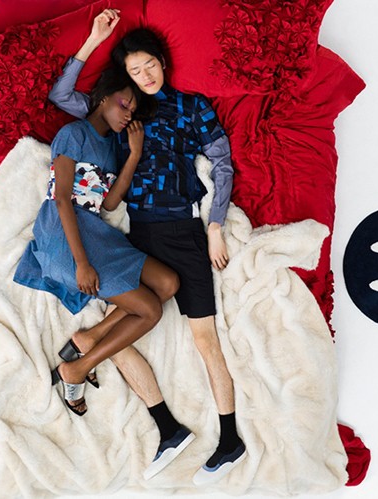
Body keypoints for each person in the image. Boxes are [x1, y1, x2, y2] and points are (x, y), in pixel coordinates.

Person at [48, 9, 247, 485]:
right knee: (118, 340)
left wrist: (215, 225)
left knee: (205, 339)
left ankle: (230, 440)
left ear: (163, 62)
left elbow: (222, 165)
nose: (145, 76)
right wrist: (93, 39)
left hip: (184, 230)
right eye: (135, 71)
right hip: (136, 233)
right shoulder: (121, 109)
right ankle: (167, 428)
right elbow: (61, 96)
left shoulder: (192, 106)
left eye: (149, 65)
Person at [13, 67, 185, 426]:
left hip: (97, 231)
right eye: (124, 104)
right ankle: (78, 368)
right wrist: (81, 264)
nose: (127, 114)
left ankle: (87, 339)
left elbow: (109, 203)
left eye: (132, 110)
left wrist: (134, 154)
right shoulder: (72, 134)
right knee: (150, 311)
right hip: (64, 237)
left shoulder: (111, 146)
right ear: (103, 97)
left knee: (168, 283)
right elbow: (62, 199)